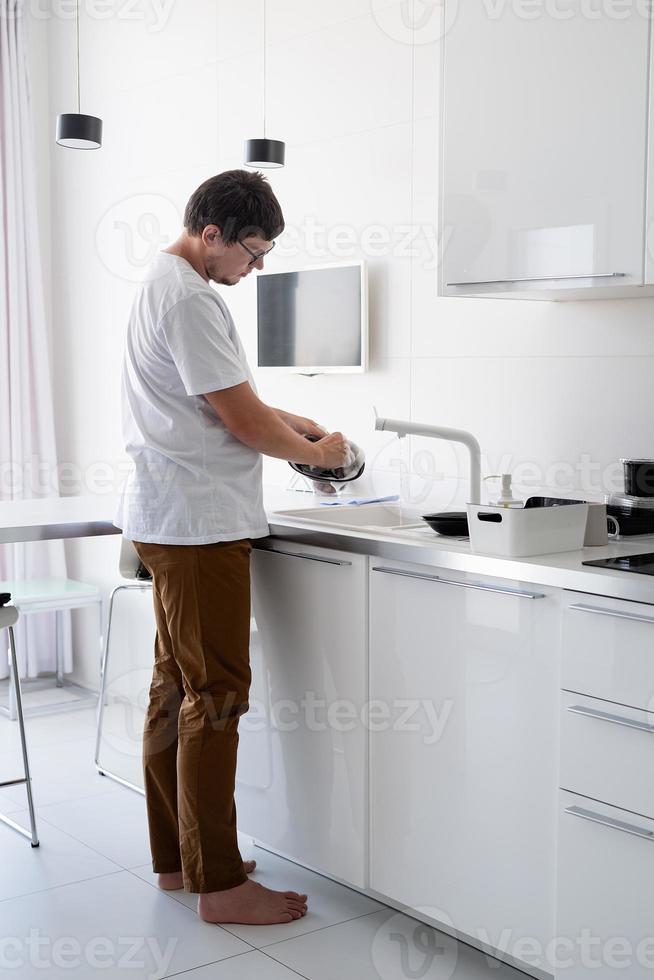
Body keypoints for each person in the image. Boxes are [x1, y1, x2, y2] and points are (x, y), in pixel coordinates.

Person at [114, 170, 348, 925]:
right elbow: (244, 425)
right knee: (215, 696)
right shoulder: (190, 297)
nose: (253, 270)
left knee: (176, 690)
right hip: (199, 525)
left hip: (170, 517)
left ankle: (181, 862)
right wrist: (323, 456)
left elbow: (229, 402)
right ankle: (219, 883)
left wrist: (299, 426)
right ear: (210, 234)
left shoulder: (164, 284)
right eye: (251, 253)